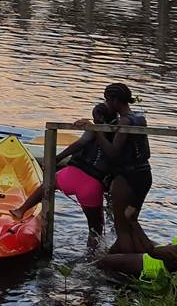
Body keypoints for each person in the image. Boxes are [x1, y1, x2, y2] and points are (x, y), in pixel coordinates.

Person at [10, 102, 112, 238]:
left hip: (70, 176)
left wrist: (55, 159)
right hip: (92, 184)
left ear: (98, 118)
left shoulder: (92, 129)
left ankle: (21, 210)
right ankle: (92, 256)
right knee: (95, 229)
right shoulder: (118, 132)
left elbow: (79, 144)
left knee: (47, 184)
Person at [87, 83, 152, 228]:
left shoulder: (125, 121)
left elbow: (113, 152)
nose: (106, 103)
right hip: (144, 174)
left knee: (121, 226)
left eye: (107, 100)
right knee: (131, 221)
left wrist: (96, 130)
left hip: (127, 175)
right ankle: (141, 249)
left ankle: (143, 250)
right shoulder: (140, 118)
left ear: (115, 101)